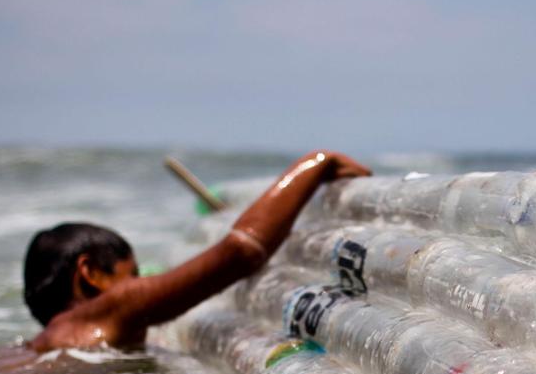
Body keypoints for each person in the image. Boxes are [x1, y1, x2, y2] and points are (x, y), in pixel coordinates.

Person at [22, 150, 370, 352]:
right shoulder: (113, 307)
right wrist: (316, 164)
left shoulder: (48, 342)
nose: (142, 286)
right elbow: (241, 252)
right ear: (91, 274)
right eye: (133, 275)